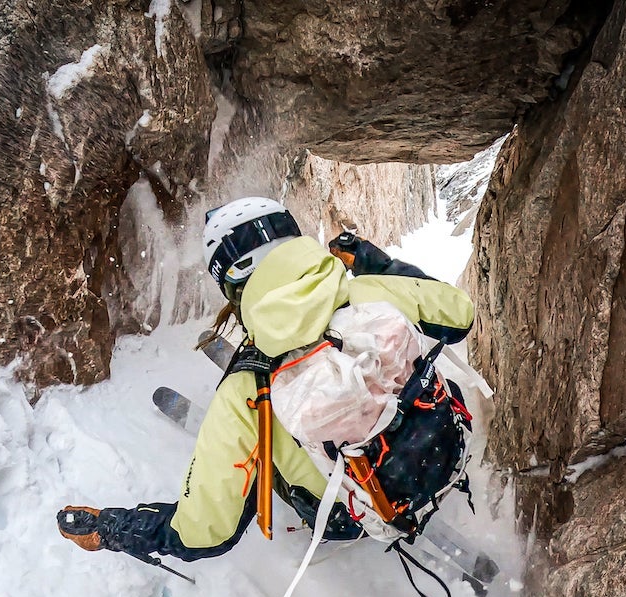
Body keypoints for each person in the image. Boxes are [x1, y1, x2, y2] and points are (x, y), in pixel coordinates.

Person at [57, 196, 475, 563]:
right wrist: (373, 263)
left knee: (266, 441)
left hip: (345, 517)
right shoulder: (373, 292)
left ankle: (260, 455)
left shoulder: (246, 390)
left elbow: (203, 533)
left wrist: (114, 528)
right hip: (446, 449)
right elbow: (459, 316)